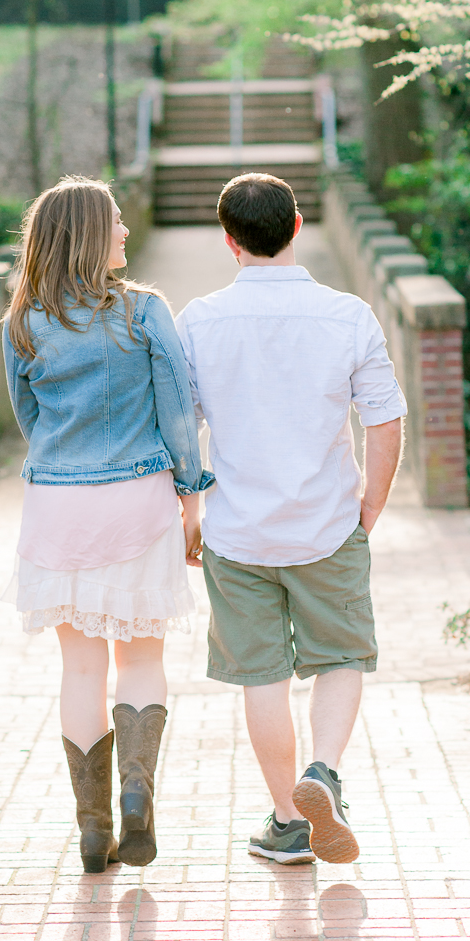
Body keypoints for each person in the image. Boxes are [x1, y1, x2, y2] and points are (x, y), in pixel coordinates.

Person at [175, 172, 406, 866]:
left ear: (229, 240)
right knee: (339, 655)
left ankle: (287, 821)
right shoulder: (347, 315)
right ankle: (323, 771)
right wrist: (370, 504)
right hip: (327, 521)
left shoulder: (200, 321)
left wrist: (190, 515)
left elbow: (179, 433)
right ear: (297, 227)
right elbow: (386, 419)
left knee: (262, 675)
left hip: (238, 529)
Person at [2, 176, 213, 874]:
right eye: (116, 222)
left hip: (58, 508)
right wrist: (191, 497)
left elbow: (28, 422)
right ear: (92, 234)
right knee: (143, 661)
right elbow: (179, 414)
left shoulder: (22, 322)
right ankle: (134, 795)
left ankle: (93, 830)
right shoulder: (145, 313)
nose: (125, 231)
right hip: (137, 497)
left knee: (80, 668)